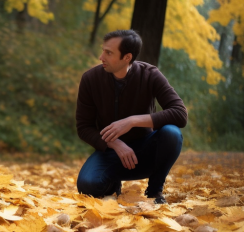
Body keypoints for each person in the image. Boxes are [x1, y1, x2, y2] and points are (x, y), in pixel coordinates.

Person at [76, 30, 187, 204]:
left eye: (109, 53)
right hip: (110, 151)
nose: (101, 57)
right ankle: (112, 185)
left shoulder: (150, 74)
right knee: (87, 185)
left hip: (146, 151)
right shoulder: (90, 79)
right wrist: (113, 143)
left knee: (171, 133)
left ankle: (154, 192)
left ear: (127, 57)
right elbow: (84, 127)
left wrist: (132, 121)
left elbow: (180, 113)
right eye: (103, 50)